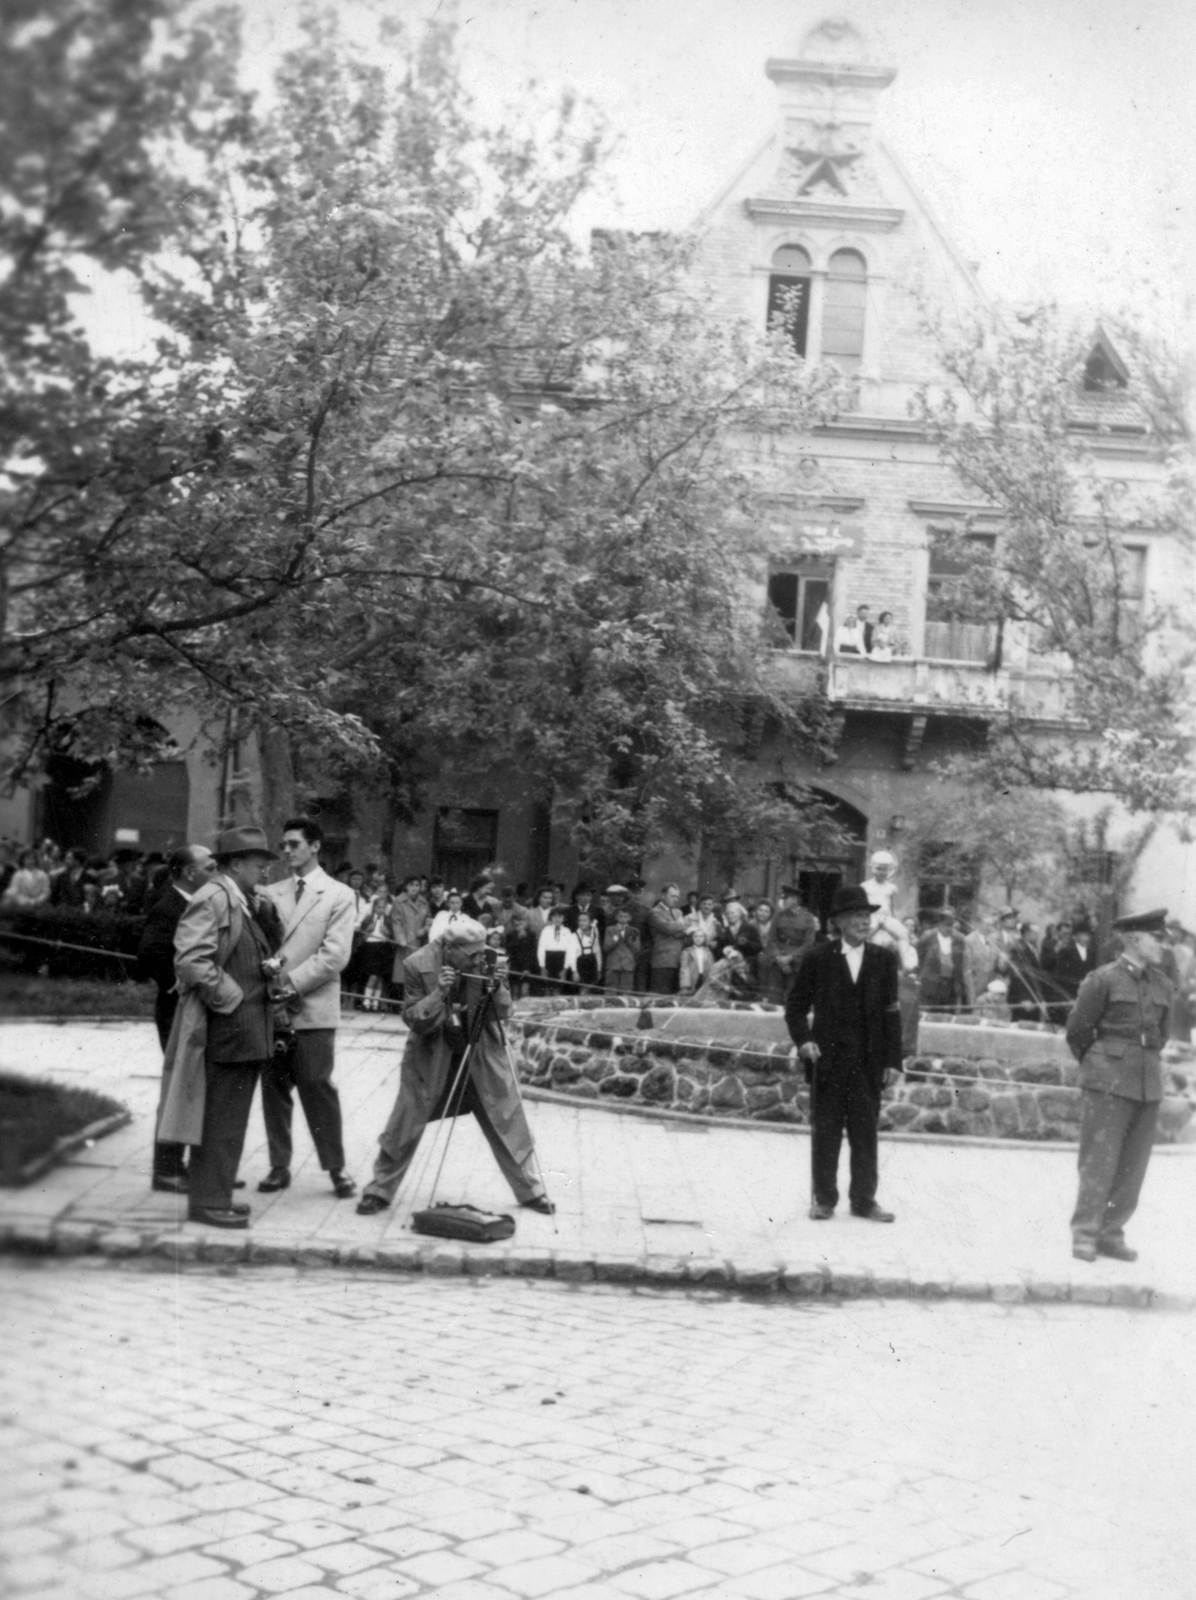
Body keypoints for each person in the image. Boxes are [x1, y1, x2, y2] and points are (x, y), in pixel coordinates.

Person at [355, 917, 552, 1217]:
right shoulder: (415, 963)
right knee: (405, 1120)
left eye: (480, 952)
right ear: (449, 948)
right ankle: (380, 1189)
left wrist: (498, 987)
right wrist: (440, 993)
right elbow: (413, 1019)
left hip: (480, 1054)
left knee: (507, 1117)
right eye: (471, 954)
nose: (478, 959)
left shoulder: (487, 961)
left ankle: (530, 1190)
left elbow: (503, 1012)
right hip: (432, 1057)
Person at [158, 826, 279, 1229]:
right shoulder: (214, 897)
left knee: (230, 1118)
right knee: (221, 1118)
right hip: (229, 1028)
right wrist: (234, 999)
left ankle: (217, 1193)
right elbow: (191, 960)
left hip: (244, 1029)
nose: (264, 872)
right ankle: (209, 1201)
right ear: (237, 863)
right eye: (260, 864)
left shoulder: (238, 899)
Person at [785, 884, 902, 1223]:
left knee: (866, 1132)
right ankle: (824, 1199)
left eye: (868, 916)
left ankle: (864, 1200)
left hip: (869, 1063)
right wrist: (804, 1041)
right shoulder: (818, 958)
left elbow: (892, 1013)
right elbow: (794, 1007)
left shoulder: (883, 960)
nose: (865, 922)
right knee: (827, 1132)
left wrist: (894, 1060)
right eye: (857, 916)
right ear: (839, 921)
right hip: (828, 1063)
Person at [1066, 909, 1174, 1263]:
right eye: (1156, 937)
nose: (1162, 943)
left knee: (1133, 1165)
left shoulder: (1162, 983)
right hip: (1108, 1080)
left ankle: (1111, 1233)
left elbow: (1163, 1034)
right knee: (1099, 1160)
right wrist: (1099, 1066)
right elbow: (1078, 1030)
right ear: (1133, 939)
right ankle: (1085, 1233)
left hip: (1147, 1082)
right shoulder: (1103, 979)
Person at [257, 817, 357, 1199]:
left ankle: (336, 1168)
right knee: (274, 1087)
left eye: (294, 844)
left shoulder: (339, 894)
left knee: (318, 1086)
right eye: (284, 845)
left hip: (312, 1007)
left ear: (315, 846)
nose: (286, 851)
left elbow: (334, 956)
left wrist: (287, 985)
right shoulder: (269, 893)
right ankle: (279, 1166)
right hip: (272, 1008)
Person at [137, 844, 215, 1192]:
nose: (214, 874)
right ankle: (166, 1169)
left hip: (190, 1009)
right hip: (175, 1009)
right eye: (209, 867)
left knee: (190, 1085)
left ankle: (186, 1165)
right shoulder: (169, 905)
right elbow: (150, 953)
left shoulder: (195, 903)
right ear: (188, 872)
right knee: (177, 1086)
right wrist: (176, 985)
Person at [1042, 917, 1100, 1025]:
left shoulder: (1092, 953)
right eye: (1083, 935)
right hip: (1069, 991)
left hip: (1084, 993)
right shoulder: (1066, 951)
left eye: (1087, 935)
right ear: (1076, 936)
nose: (1086, 938)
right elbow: (1060, 974)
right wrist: (1075, 982)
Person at [766, 885, 818, 1002]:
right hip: (777, 962)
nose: (783, 901)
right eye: (782, 898)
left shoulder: (808, 918)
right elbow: (771, 938)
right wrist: (778, 956)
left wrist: (790, 958)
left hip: (796, 964)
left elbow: (809, 943)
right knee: (774, 997)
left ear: (795, 900)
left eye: (786, 898)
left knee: (793, 998)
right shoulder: (778, 916)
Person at [916, 910, 972, 1012]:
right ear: (939, 924)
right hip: (931, 984)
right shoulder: (928, 937)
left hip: (950, 985)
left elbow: (961, 962)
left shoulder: (959, 939)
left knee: (947, 1013)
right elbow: (919, 957)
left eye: (951, 925)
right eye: (946, 925)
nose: (948, 928)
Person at [389, 876, 429, 1000]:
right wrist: (400, 938)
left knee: (417, 975)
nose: (414, 888)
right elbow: (396, 921)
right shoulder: (398, 901)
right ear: (406, 886)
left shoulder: (424, 901)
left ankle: (413, 1003)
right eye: (411, 885)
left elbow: (428, 918)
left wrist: (425, 929)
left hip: (419, 943)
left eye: (417, 885)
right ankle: (406, 1004)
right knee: (405, 974)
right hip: (405, 943)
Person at [648, 883, 687, 995]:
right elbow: (667, 928)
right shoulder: (654, 912)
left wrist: (679, 928)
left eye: (677, 897)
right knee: (660, 996)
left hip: (678, 959)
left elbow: (682, 933)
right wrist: (683, 927)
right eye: (672, 896)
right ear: (663, 895)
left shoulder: (677, 912)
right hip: (663, 960)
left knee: (673, 997)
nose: (675, 899)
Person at [537, 903, 580, 993]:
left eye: (560, 916)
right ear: (551, 918)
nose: (557, 919)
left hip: (561, 961)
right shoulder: (546, 930)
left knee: (557, 989)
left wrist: (565, 968)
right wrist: (542, 966)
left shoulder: (567, 931)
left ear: (564, 918)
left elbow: (570, 951)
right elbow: (541, 949)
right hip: (548, 960)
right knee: (547, 989)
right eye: (555, 916)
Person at [603, 905, 640, 993]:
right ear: (616, 917)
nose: (623, 919)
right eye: (620, 916)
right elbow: (606, 947)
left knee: (626, 991)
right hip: (613, 964)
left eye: (625, 917)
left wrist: (627, 937)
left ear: (630, 918)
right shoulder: (610, 929)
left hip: (627, 965)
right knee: (610, 990)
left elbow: (637, 948)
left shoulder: (633, 930)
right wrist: (616, 938)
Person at [861, 851, 900, 925]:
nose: (881, 872)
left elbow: (893, 908)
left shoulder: (892, 888)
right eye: (878, 869)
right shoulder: (865, 886)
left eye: (885, 869)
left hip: (887, 919)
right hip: (871, 919)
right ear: (871, 867)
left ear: (890, 870)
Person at [679, 928, 714, 997]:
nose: (698, 938)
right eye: (696, 936)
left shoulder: (708, 952)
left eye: (701, 936)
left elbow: (711, 967)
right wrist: (685, 985)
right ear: (692, 938)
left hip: (704, 979)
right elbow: (684, 968)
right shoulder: (687, 951)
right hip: (692, 979)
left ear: (704, 938)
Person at [574, 909, 603, 989]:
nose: (581, 923)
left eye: (584, 920)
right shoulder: (576, 934)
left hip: (592, 962)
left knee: (591, 987)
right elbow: (573, 954)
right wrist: (575, 971)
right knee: (582, 988)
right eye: (580, 920)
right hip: (580, 963)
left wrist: (599, 969)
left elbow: (597, 950)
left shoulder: (594, 932)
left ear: (590, 922)